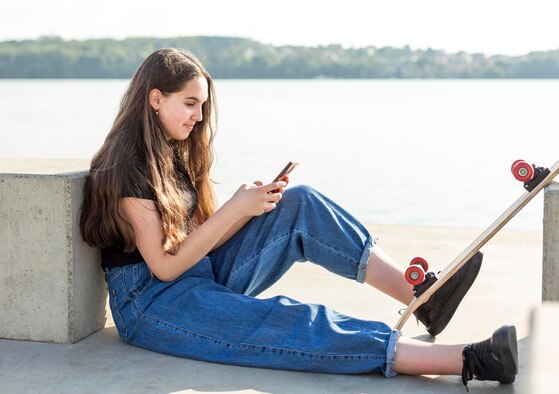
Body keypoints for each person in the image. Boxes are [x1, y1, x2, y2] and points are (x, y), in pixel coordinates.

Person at [80, 48, 518, 390]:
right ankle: (469, 360)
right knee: (283, 321)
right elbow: (164, 266)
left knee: (300, 204)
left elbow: (198, 240)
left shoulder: (170, 152)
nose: (198, 117)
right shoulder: (126, 169)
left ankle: (423, 296)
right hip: (151, 302)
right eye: (190, 104)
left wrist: (253, 206)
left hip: (197, 273)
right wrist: (235, 209)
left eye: (202, 107)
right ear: (155, 99)